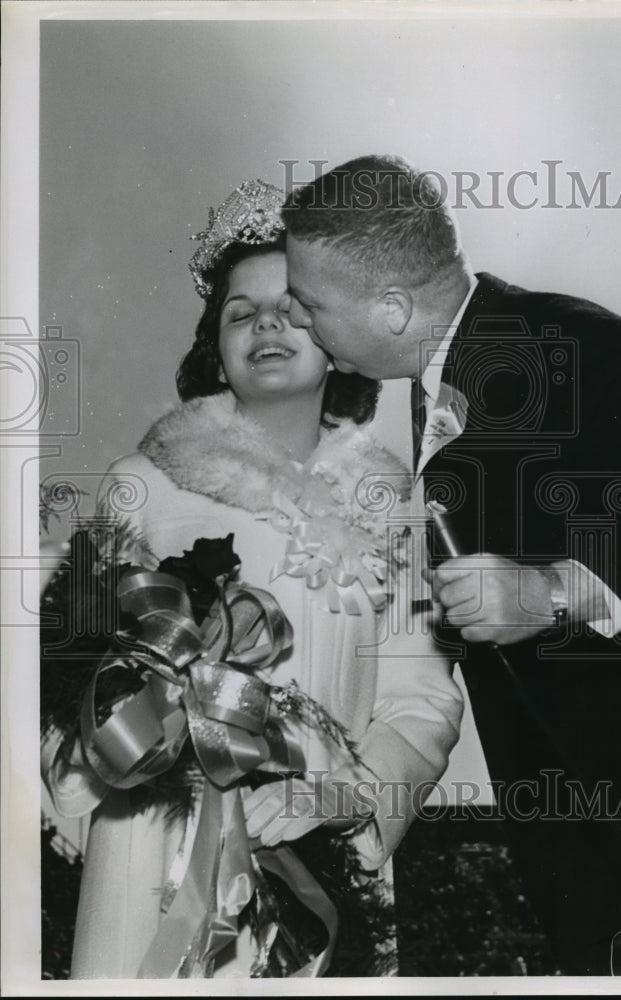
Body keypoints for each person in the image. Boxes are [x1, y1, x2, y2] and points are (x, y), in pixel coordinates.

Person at [279, 155, 621, 975]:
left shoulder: (564, 342)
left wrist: (554, 590)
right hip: (592, 858)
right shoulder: (434, 376)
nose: (300, 320)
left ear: (394, 306)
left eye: (310, 302)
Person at [40, 180, 463, 979]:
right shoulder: (145, 482)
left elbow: (421, 695)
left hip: (318, 855)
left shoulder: (390, 503)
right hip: (154, 843)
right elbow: (63, 672)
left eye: (292, 308)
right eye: (241, 312)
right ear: (216, 345)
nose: (266, 324)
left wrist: (353, 801)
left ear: (335, 337)